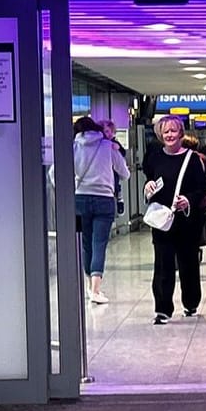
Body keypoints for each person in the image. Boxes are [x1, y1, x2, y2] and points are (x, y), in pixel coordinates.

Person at [142, 115, 206, 325]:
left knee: (188, 262)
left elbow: (201, 189)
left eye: (173, 131)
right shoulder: (154, 158)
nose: (170, 135)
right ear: (161, 135)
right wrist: (147, 189)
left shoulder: (193, 159)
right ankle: (162, 308)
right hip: (162, 220)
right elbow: (150, 182)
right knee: (163, 264)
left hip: (186, 222)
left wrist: (188, 200)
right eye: (166, 131)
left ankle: (190, 302)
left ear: (181, 133)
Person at [73, 116, 129, 306]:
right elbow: (125, 173)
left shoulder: (74, 146)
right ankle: (96, 289)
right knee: (99, 244)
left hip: (79, 199)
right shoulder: (108, 146)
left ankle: (91, 286)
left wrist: (72, 187)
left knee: (86, 243)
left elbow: (53, 173)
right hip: (104, 200)